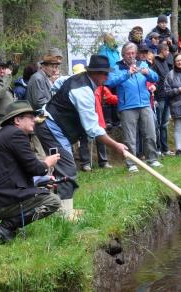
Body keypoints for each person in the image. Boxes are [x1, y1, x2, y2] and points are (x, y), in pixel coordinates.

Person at [35, 55, 128, 219]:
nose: (107, 77)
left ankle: (58, 209)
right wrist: (116, 145)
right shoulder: (83, 90)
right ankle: (65, 214)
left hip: (55, 127)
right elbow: (93, 129)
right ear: (95, 73)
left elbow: (57, 84)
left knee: (62, 167)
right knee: (67, 167)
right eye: (105, 73)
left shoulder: (80, 79)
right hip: (51, 128)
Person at [0, 100, 61, 242]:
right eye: (30, 116)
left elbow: (17, 172)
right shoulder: (15, 134)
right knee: (52, 201)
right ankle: (5, 228)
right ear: (17, 119)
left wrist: (41, 182)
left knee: (43, 192)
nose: (34, 120)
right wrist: (47, 163)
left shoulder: (7, 134)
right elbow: (35, 168)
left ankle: (2, 229)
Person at [106, 42, 160, 173]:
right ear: (123, 54)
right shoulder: (117, 66)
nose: (131, 56)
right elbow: (110, 82)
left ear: (136, 54)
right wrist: (127, 74)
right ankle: (131, 163)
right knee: (130, 137)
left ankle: (152, 159)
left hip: (145, 104)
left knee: (150, 133)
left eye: (133, 53)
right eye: (128, 53)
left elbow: (156, 77)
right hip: (127, 106)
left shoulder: (142, 63)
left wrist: (148, 73)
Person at [72, 64, 115, 171]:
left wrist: (122, 99)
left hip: (98, 116)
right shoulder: (76, 88)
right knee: (84, 140)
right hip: (82, 117)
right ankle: (85, 163)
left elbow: (110, 97)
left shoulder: (99, 86)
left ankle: (103, 161)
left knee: (101, 138)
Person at [150, 43, 174, 156]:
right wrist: (153, 96)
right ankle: (158, 148)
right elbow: (154, 81)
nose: (168, 52)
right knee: (158, 123)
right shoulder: (155, 63)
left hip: (167, 96)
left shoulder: (165, 62)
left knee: (164, 124)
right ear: (162, 51)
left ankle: (165, 148)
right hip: (159, 97)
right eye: (167, 50)